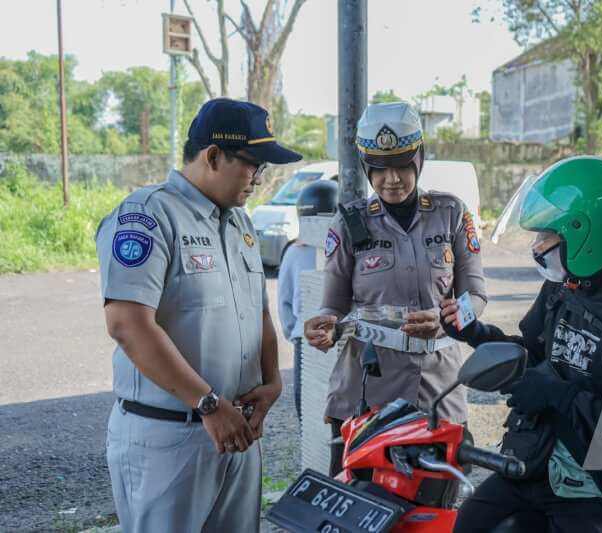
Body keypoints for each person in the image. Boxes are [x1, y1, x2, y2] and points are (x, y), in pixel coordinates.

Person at [440, 156, 602, 532]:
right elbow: (533, 357)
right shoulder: (565, 289)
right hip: (538, 462)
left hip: (600, 489)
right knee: (470, 524)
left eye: (546, 235)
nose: (537, 245)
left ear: (584, 234)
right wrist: (475, 334)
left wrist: (560, 397)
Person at [97, 98, 299, 532]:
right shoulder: (149, 215)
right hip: (171, 439)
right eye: (253, 165)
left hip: (236, 433)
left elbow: (257, 313)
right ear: (212, 156)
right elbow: (127, 324)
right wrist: (208, 404)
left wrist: (272, 381)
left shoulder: (240, 223)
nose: (259, 180)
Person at [303, 101, 488, 475]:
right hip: (368, 392)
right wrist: (324, 324)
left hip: (439, 391)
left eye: (403, 164)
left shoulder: (452, 214)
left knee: (437, 502)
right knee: (364, 503)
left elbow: (478, 297)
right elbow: (333, 306)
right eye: (380, 168)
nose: (392, 179)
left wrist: (450, 319)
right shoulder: (351, 223)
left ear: (419, 158)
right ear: (366, 167)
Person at [277, 180, 338, 420]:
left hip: (306, 339)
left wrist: (296, 335)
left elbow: (284, 303)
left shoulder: (293, 251)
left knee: (309, 413)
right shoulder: (345, 249)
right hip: (337, 339)